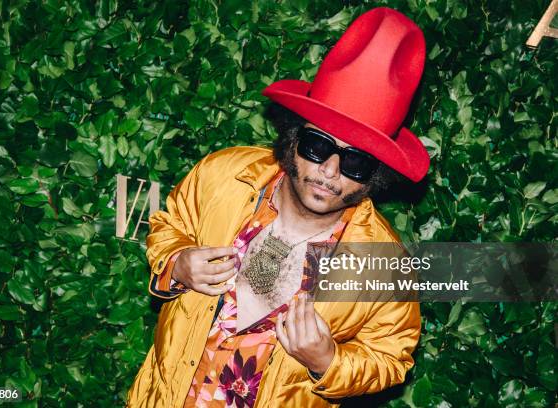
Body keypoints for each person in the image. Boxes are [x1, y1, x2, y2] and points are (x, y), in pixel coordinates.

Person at [127, 6, 429, 408]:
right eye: (318, 146)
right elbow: (169, 221)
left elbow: (390, 357)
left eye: (356, 162)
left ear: (375, 176)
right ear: (292, 140)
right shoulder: (223, 176)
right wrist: (177, 262)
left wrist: (329, 362)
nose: (330, 171)